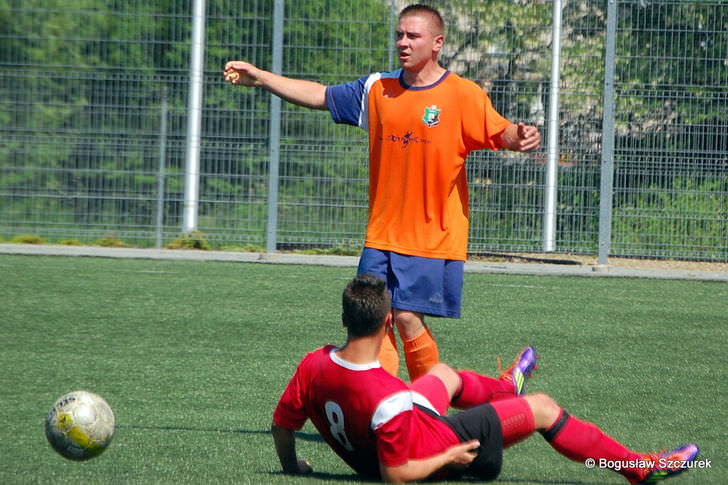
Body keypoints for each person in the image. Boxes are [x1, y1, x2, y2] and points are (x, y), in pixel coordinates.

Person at [224, 4, 542, 381]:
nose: (402, 42)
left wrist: (519, 137)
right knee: (375, 322)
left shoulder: (462, 95)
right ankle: (388, 413)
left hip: (430, 236)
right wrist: (260, 78)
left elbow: (498, 130)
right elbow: (320, 94)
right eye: (399, 34)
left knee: (407, 317)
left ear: (438, 43)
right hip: (380, 236)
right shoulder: (379, 89)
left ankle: (431, 410)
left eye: (413, 36)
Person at [272, 273, 699, 483]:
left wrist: (292, 467)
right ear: (388, 325)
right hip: (437, 445)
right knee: (545, 409)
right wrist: (449, 458)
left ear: (343, 319)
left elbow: (281, 426)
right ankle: (640, 470)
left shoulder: (315, 362)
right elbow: (396, 475)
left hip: (399, 427)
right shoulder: (390, 398)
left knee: (443, 374)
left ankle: (506, 387)